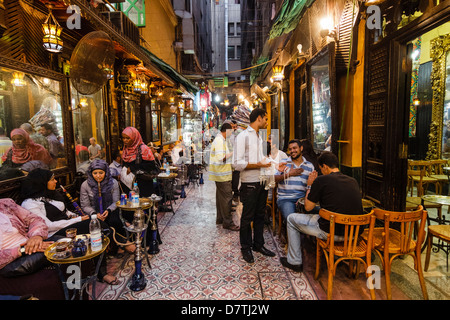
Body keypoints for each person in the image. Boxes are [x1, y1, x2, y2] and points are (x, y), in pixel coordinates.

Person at [20, 168, 120, 284]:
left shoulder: (51, 195)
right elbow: (47, 226)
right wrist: (78, 220)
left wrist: (74, 216)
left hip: (67, 226)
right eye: (52, 180)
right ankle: (117, 247)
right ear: (42, 183)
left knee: (97, 226)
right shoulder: (30, 204)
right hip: (53, 234)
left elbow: (65, 212)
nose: (56, 182)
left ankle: (102, 270)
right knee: (96, 226)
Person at [280, 151, 363, 272]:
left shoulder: (321, 180)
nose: (321, 172)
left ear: (325, 166)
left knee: (291, 218)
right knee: (327, 212)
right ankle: (335, 255)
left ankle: (294, 261)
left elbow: (308, 207)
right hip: (353, 234)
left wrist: (309, 185)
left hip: (331, 233)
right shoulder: (353, 181)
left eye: (321, 169)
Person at [234, 108, 275, 263]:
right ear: (259, 118)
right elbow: (236, 164)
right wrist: (258, 165)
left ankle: (258, 244)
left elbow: (262, 159)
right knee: (247, 217)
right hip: (249, 182)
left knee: (260, 215)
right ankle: (246, 248)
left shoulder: (260, 137)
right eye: (265, 119)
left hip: (262, 180)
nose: (267, 122)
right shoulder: (243, 136)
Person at [80, 159, 135, 254]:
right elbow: (85, 206)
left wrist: (108, 211)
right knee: (98, 224)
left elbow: (116, 201)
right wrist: (94, 214)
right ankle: (122, 243)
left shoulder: (113, 183)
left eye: (101, 173)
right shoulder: (85, 185)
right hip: (93, 213)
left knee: (114, 220)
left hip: (110, 210)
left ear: (106, 172)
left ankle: (117, 246)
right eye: (95, 173)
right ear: (90, 173)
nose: (98, 176)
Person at [0, 198, 53, 277]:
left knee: (63, 242)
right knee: (57, 251)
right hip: (12, 262)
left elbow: (34, 219)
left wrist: (36, 236)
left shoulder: (5, 204)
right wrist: (23, 249)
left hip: (32, 246)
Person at [275, 139, 315, 221]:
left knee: (319, 214)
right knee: (291, 218)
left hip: (303, 199)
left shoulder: (309, 166)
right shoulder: (283, 163)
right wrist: (289, 174)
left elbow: (312, 186)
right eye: (290, 149)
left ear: (301, 148)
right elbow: (273, 179)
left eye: (294, 148)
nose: (292, 151)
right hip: (286, 199)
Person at [209, 122, 239, 231]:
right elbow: (221, 158)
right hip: (222, 174)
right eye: (231, 131)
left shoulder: (221, 140)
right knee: (227, 198)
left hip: (220, 173)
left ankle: (220, 219)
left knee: (220, 198)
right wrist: (233, 153)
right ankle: (228, 222)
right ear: (226, 130)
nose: (231, 134)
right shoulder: (219, 141)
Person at [121, 127, 158, 197]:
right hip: (130, 183)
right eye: (123, 138)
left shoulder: (143, 148)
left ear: (134, 137)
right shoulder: (125, 149)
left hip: (143, 183)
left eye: (128, 138)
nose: (125, 140)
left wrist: (133, 168)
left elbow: (151, 165)